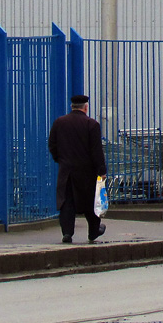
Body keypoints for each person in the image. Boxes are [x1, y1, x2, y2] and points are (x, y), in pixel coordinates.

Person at [48, 94, 107, 244]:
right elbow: (96, 151)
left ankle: (67, 232)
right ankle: (93, 231)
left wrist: (61, 160)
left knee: (67, 202)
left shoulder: (59, 123)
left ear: (71, 106)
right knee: (90, 203)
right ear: (86, 107)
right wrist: (101, 170)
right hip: (87, 172)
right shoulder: (92, 125)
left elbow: (52, 145)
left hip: (66, 170)